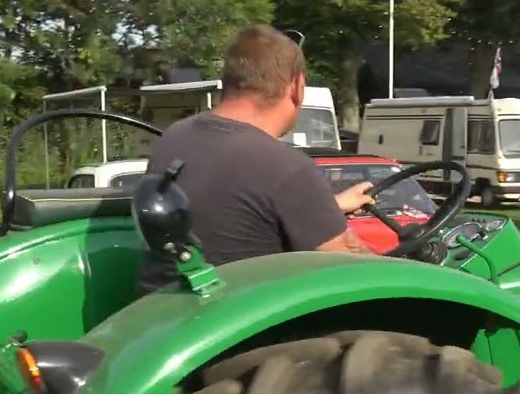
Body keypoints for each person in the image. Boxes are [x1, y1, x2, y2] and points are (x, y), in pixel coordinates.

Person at [139, 25, 376, 293]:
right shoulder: (286, 167)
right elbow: (352, 269)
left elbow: (231, 211)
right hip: (234, 313)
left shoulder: (174, 137)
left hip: (159, 307)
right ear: (297, 87)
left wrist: (329, 207)